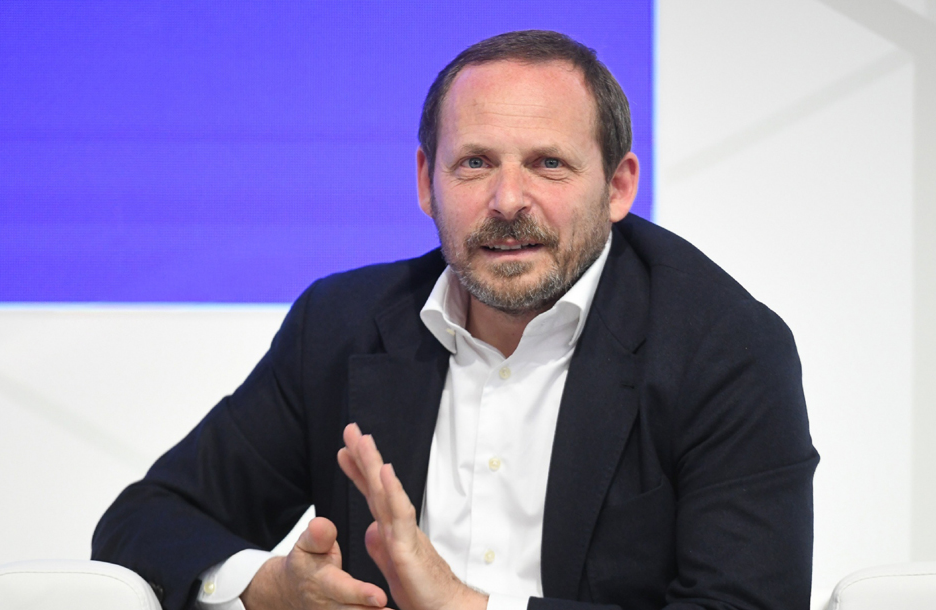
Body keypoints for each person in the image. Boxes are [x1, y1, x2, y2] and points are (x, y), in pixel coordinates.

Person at [93, 30, 818, 610]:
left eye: (549, 164)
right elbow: (144, 523)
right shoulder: (341, 325)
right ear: (425, 182)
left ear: (618, 186)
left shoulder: (725, 349)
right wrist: (268, 586)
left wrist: (464, 606)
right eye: (474, 163)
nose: (508, 200)